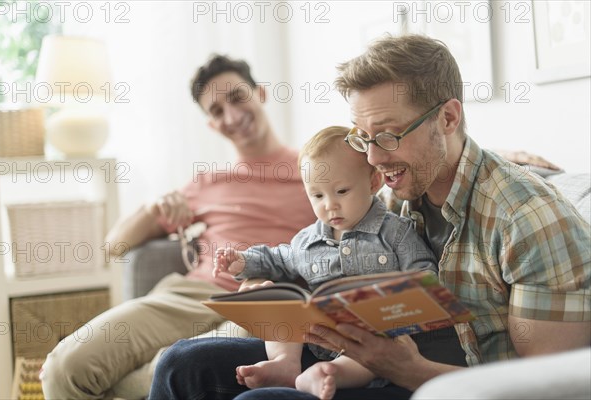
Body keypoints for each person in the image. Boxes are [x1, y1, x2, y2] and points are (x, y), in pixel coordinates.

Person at [148, 34, 591, 400]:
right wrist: (288, 304)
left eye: (389, 136)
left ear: (449, 117)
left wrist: (407, 367)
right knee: (184, 363)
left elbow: (545, 392)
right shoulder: (400, 188)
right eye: (364, 138)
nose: (374, 158)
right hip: (365, 360)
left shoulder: (529, 222)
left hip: (440, 383)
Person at [39, 54, 316, 399]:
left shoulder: (315, 169)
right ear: (211, 125)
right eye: (216, 111)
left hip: (262, 301)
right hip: (188, 297)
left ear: (260, 94)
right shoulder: (207, 182)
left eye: (237, 98)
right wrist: (154, 206)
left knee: (171, 367)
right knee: (62, 369)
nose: (231, 116)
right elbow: (115, 246)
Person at [212, 126, 438, 399]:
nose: (330, 205)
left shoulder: (397, 232)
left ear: (373, 183)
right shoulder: (306, 241)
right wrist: (241, 262)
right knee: (280, 297)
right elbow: (275, 259)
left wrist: (399, 300)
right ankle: (285, 362)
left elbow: (426, 275)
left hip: (370, 343)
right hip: (317, 336)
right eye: (317, 196)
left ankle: (330, 374)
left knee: (377, 347)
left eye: (341, 191)